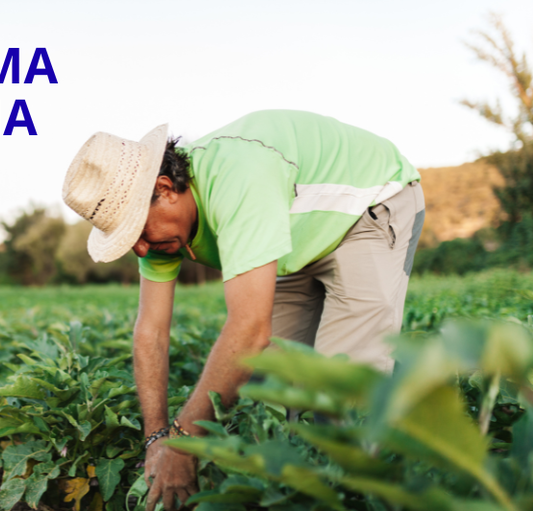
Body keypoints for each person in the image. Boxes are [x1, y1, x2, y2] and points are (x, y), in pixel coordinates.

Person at [62, 110, 425, 511]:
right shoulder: (162, 233)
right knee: (274, 387)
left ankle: (361, 492)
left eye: (137, 230)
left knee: (342, 387)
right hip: (294, 238)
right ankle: (295, 492)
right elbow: (151, 332)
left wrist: (184, 444)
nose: (141, 249)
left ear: (165, 188)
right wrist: (157, 438)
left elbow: (250, 329)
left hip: (368, 205)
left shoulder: (237, 179)